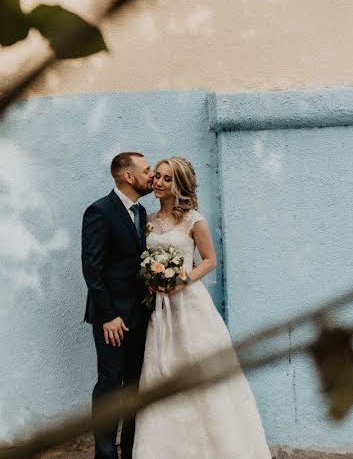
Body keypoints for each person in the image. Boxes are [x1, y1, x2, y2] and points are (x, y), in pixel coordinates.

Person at [133, 157, 271, 458]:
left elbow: (209, 260)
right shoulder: (148, 220)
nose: (158, 182)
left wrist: (182, 279)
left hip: (191, 306)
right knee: (161, 369)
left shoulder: (194, 220)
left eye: (167, 179)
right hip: (160, 306)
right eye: (157, 176)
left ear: (179, 185)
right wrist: (151, 280)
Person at [81, 152, 155, 459]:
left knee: (136, 384)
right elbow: (92, 268)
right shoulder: (99, 211)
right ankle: (106, 452)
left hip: (140, 315)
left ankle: (130, 450)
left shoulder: (141, 213)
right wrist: (109, 315)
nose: (151, 175)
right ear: (128, 176)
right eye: (147, 169)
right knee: (110, 383)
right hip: (112, 319)